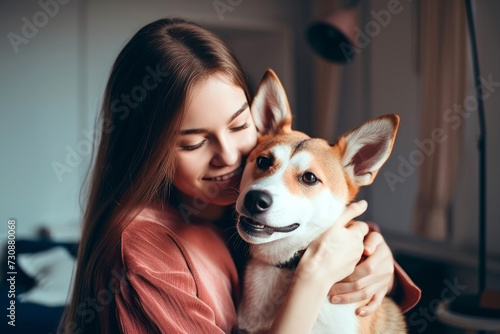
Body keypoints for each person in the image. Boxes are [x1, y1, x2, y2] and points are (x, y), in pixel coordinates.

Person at [58, 17, 421, 334]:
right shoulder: (143, 255)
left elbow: (318, 226)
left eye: (239, 125)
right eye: (194, 143)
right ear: (147, 149)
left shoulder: (226, 207)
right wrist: (313, 277)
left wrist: (379, 261)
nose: (230, 157)